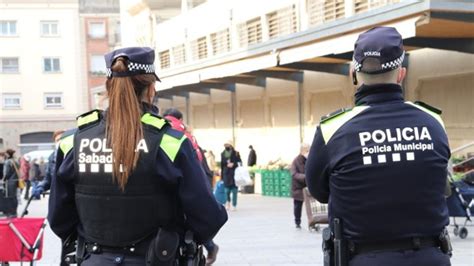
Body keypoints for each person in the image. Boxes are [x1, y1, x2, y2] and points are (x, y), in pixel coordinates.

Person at [48, 47, 227, 265]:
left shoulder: (71, 142)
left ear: (108, 88)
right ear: (151, 88)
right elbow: (207, 217)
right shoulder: (170, 142)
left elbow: (59, 218)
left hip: (93, 259)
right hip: (156, 258)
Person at [305, 27, 451, 266]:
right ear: (401, 74)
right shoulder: (433, 122)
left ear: (353, 73)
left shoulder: (332, 130)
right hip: (430, 257)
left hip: (363, 258)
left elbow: (319, 191)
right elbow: (441, 183)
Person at [161, 108, 221, 265]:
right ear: (179, 118)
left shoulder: (160, 130)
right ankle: (208, 245)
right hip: (195, 179)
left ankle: (209, 245)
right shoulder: (185, 134)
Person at [32, 130, 66, 199]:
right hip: (57, 197)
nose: (60, 142)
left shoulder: (74, 155)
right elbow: (48, 179)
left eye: (62, 139)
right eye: (58, 140)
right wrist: (41, 186)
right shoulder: (52, 157)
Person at [290, 143, 310, 229]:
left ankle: (313, 221)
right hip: (298, 188)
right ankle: (297, 221)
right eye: (307, 151)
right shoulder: (296, 161)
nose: (309, 152)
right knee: (298, 206)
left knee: (311, 206)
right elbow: (294, 174)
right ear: (302, 151)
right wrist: (305, 177)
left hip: (308, 187)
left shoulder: (309, 160)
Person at [220, 140, 241, 211]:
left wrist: (233, 164)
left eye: (227, 145)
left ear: (231, 145)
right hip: (226, 174)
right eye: (225, 145)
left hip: (234, 174)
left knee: (234, 191)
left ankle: (234, 205)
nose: (226, 146)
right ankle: (228, 202)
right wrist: (222, 176)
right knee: (227, 191)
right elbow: (222, 165)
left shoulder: (236, 153)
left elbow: (240, 162)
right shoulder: (222, 154)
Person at [2, 149, 20, 217]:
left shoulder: (7, 162)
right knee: (14, 197)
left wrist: (3, 180)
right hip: (16, 181)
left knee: (10, 197)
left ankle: (11, 213)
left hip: (9, 182)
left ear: (8, 154)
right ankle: (15, 212)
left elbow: (6, 173)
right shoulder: (16, 161)